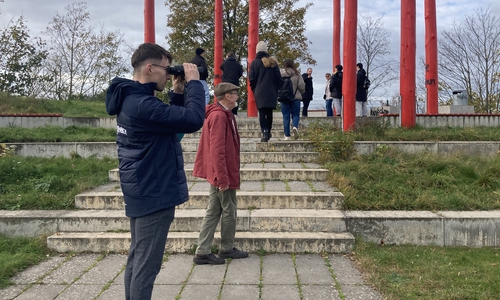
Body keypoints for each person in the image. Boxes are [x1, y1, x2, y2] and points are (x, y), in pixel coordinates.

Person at [105, 43, 205, 300]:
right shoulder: (142, 104)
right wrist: (195, 83)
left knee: (138, 259)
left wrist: (178, 93)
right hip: (153, 192)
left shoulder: (132, 100)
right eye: (165, 68)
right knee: (146, 266)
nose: (168, 74)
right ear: (149, 68)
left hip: (143, 188)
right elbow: (193, 120)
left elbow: (170, 126)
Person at [192, 82, 248, 265]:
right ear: (226, 96)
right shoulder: (219, 116)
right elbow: (217, 150)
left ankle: (203, 251)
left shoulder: (222, 114)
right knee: (229, 210)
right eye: (235, 93)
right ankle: (226, 248)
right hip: (222, 172)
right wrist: (223, 177)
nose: (238, 96)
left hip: (221, 171)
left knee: (214, 210)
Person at [248, 41, 282, 142]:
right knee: (269, 112)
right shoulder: (273, 62)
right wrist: (276, 88)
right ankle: (269, 130)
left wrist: (254, 88)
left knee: (262, 112)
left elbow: (252, 78)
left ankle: (264, 132)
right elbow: (278, 78)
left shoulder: (254, 63)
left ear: (257, 51)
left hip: (259, 90)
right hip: (272, 90)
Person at [279, 59, 305, 140]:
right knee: (296, 114)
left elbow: (276, 84)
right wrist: (300, 92)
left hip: (284, 97)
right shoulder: (297, 74)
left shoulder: (280, 73)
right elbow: (302, 86)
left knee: (286, 116)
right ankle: (295, 127)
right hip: (295, 97)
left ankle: (287, 135)